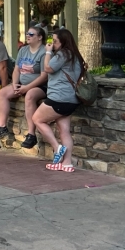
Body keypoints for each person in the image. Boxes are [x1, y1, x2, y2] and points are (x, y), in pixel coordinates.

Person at [32, 28, 86, 172]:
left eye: (55, 41)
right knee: (64, 131)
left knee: (37, 119)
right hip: (72, 100)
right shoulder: (75, 55)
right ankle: (67, 163)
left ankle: (57, 148)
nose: (52, 44)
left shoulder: (63, 54)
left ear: (63, 42)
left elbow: (48, 68)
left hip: (58, 98)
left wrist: (48, 52)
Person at [0, 26, 48, 143]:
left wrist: (27, 88)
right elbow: (16, 70)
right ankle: (2, 126)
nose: (27, 36)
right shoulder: (23, 50)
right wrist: (15, 84)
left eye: (31, 34)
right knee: (3, 92)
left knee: (30, 96)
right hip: (21, 84)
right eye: (27, 34)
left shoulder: (44, 52)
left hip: (39, 86)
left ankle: (31, 134)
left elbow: (44, 76)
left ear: (40, 37)